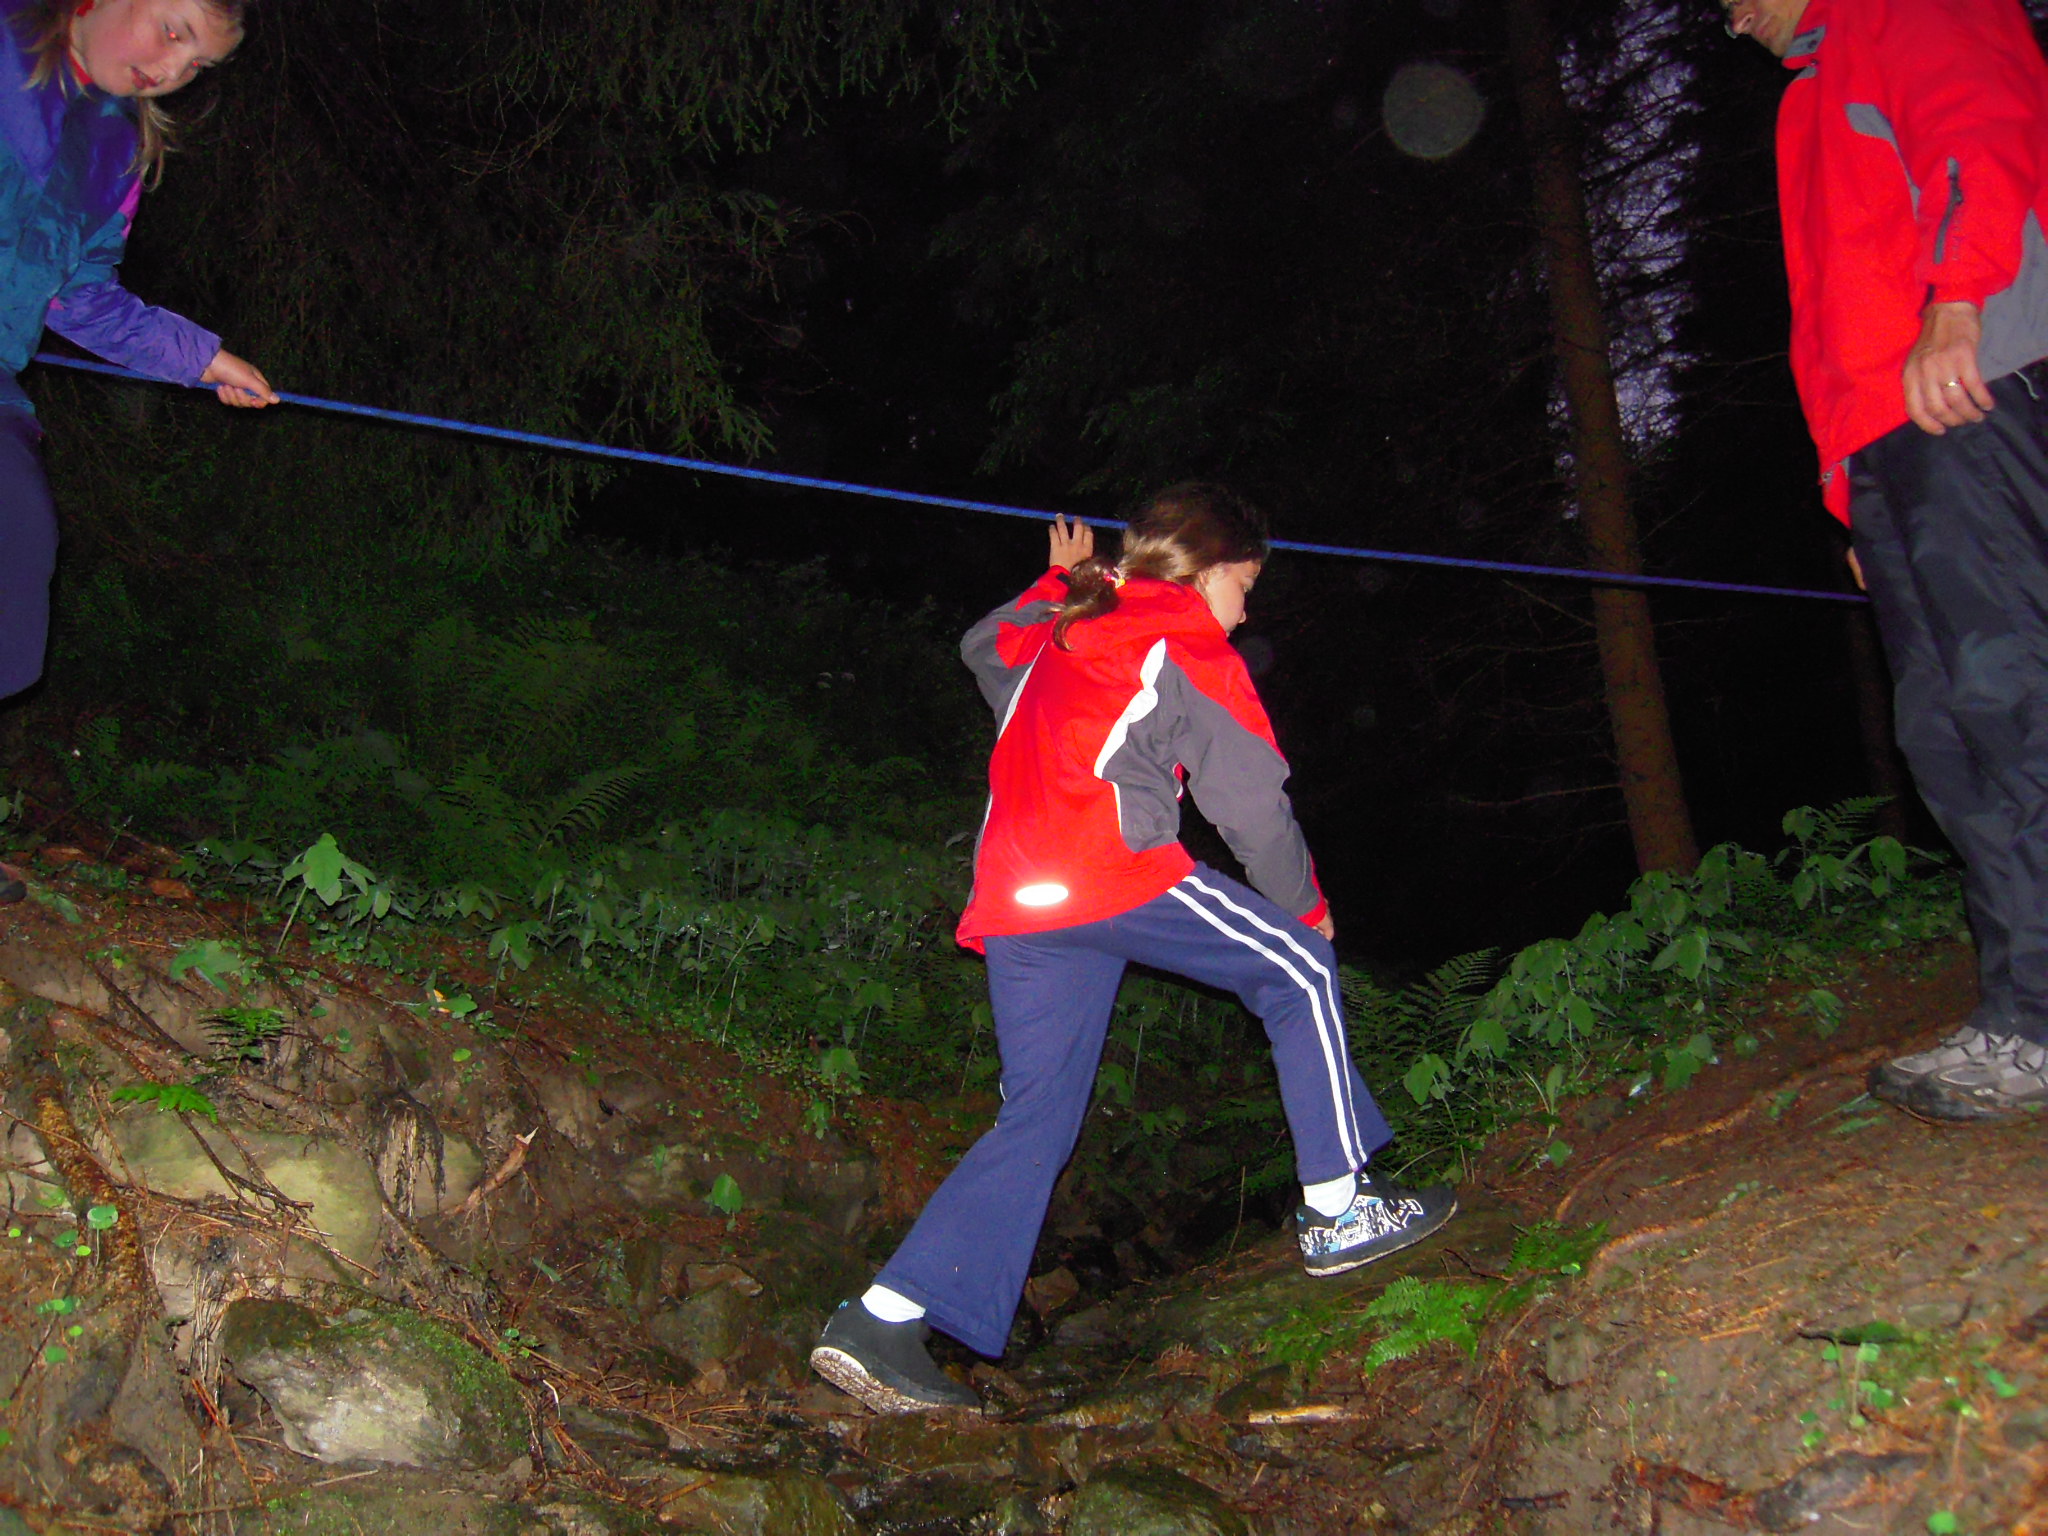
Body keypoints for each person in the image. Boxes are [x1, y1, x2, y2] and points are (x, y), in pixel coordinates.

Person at [809, 484, 1456, 1415]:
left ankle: (882, 1320)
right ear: (1205, 570)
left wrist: (1059, 582)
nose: (1246, 610)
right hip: (1107, 868)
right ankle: (1339, 1206)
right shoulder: (1186, 641)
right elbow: (1252, 806)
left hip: (1019, 895)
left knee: (1036, 1118)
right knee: (1298, 967)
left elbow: (983, 646)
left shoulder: (1063, 627)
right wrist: (1305, 910)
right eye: (1244, 585)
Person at [1726, 0, 2048, 1118]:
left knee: (2012, 696)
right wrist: (1847, 502)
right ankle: (2026, 1015)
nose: (1731, 20)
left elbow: (1980, 125)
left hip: (1969, 385)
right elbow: (1825, 320)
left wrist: (1959, 303)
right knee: (1943, 731)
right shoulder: (1804, 102)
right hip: (1884, 447)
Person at [0, 0, 276, 706]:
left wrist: (202, 359)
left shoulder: (115, 152)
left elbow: (82, 296)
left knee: (17, 549)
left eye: (198, 63)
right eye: (173, 31)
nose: (173, 68)